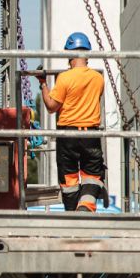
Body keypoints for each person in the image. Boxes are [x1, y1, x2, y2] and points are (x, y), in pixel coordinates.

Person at [42, 31, 106, 212]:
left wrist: (43, 85)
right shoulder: (98, 78)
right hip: (90, 133)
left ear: (70, 55)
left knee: (69, 180)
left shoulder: (64, 78)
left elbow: (51, 106)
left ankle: (72, 216)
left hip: (67, 134)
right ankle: (85, 206)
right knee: (93, 175)